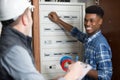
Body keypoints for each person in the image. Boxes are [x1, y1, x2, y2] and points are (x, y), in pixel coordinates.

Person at [0, 0, 91, 80]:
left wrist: (64, 77)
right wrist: (72, 75)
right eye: (30, 13)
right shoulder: (15, 51)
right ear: (25, 19)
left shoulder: (12, 43)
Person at [48, 5, 113, 80]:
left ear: (100, 21)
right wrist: (58, 20)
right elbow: (76, 32)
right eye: (86, 20)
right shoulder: (88, 38)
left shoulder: (100, 45)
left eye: (92, 20)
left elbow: (106, 76)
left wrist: (81, 66)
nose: (87, 24)